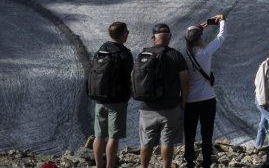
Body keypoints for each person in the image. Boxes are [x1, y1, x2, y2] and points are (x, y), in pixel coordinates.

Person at [136, 23, 190, 168]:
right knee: (167, 141)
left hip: (147, 107)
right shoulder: (176, 55)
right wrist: (184, 101)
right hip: (171, 107)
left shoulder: (143, 55)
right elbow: (185, 81)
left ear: (153, 38)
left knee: (146, 141)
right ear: (169, 37)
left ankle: (144, 166)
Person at [183, 13, 226, 168]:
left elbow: (190, 38)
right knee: (206, 133)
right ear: (199, 38)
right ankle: (206, 161)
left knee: (189, 133)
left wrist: (197, 29)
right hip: (207, 99)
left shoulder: (185, 55)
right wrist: (222, 21)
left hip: (189, 100)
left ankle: (189, 161)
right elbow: (221, 37)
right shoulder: (205, 52)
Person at [89, 21, 133, 168]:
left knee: (99, 135)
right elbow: (129, 76)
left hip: (99, 99)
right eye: (126, 31)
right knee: (113, 136)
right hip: (117, 100)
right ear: (121, 34)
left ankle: (98, 165)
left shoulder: (101, 50)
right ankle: (110, 166)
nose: (128, 33)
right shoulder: (124, 53)